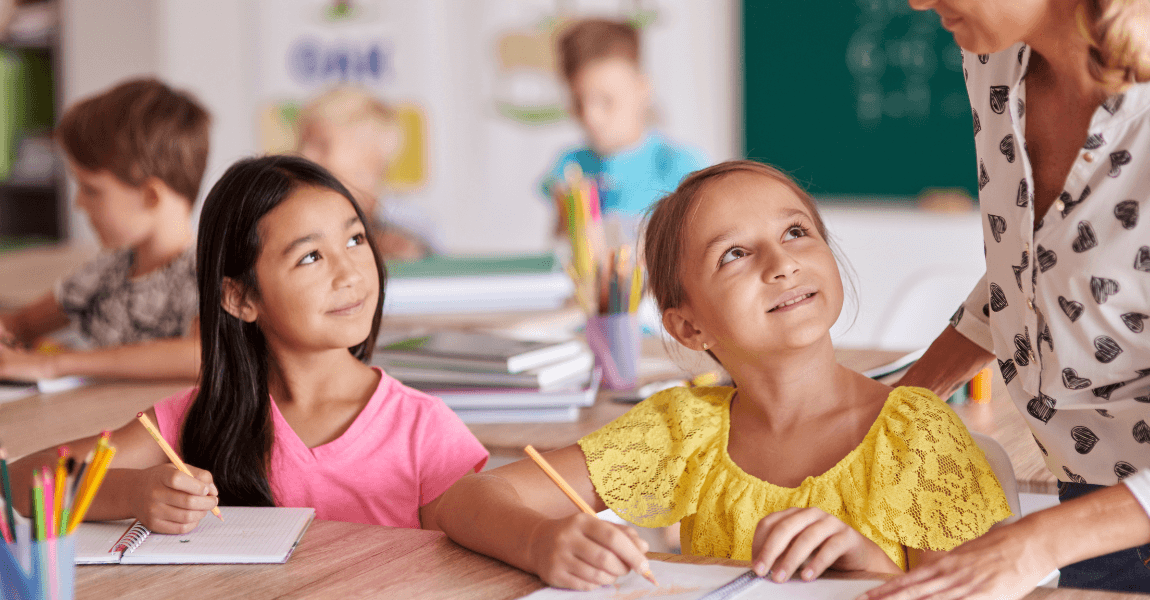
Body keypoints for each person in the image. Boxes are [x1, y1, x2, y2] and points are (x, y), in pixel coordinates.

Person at [434, 160, 1011, 590]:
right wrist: (542, 541)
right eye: (734, 254)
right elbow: (463, 500)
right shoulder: (681, 430)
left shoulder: (918, 437)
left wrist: (869, 569)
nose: (781, 263)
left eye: (795, 233)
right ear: (688, 328)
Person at [7, 155, 488, 533]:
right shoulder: (200, 416)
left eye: (357, 240)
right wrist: (130, 493)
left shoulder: (424, 430)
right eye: (311, 256)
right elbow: (23, 482)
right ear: (238, 298)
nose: (350, 273)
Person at [862, 1, 1150, 597]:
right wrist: (904, 406)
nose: (915, 2)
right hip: (1085, 505)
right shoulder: (992, 62)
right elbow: (1031, 269)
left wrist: (1040, 542)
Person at [0, 78, 208, 381]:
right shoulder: (107, 270)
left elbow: (201, 355)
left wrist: (58, 363)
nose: (78, 204)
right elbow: (21, 323)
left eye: (91, 190)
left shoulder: (207, 273)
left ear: (151, 196)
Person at [541, 18, 706, 239]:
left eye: (607, 100)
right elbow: (560, 247)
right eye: (579, 102)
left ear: (642, 88)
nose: (591, 117)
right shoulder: (570, 167)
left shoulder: (682, 168)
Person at [297, 87, 438, 261]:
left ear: (367, 155)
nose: (305, 155)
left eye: (322, 145)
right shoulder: (291, 216)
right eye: (302, 143)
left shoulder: (409, 225)